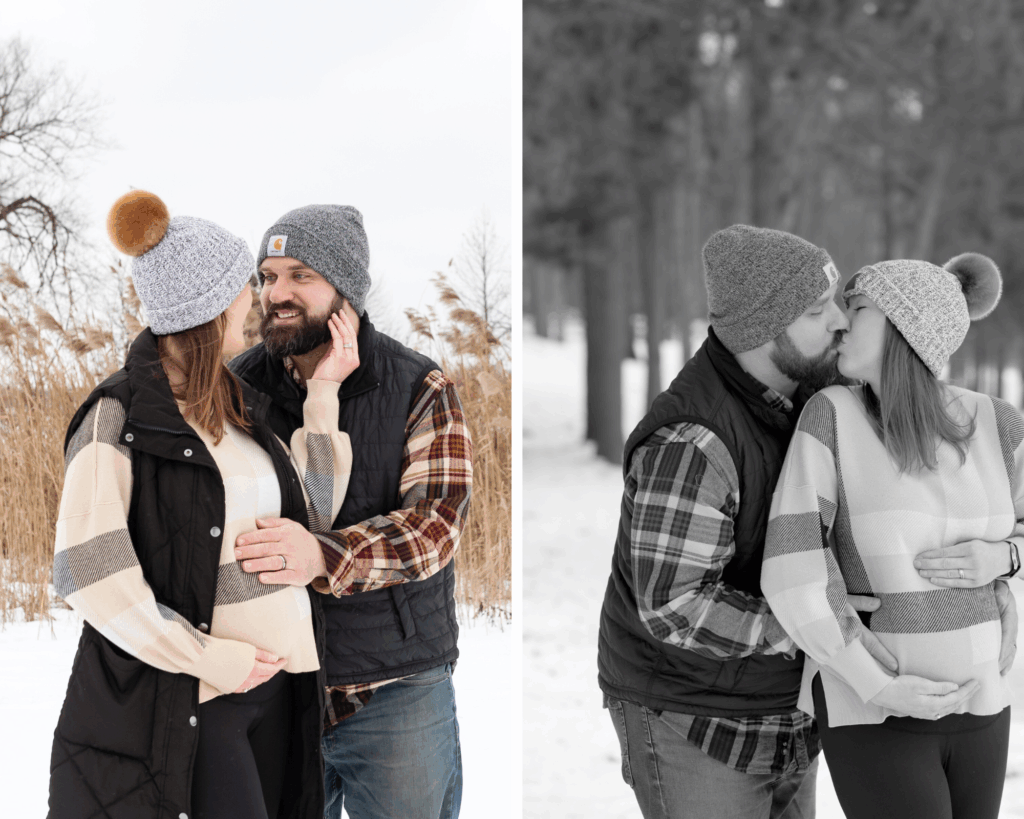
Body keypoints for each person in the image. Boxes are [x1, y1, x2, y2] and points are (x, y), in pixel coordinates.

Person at [597, 225, 984, 819]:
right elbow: (676, 607)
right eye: (814, 309)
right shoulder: (693, 442)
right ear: (760, 328)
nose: (837, 321)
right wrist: (827, 627)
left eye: (837, 303)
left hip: (790, 709)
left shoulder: (819, 395)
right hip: (693, 716)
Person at [47, 191, 358, 819]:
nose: (254, 298)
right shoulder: (119, 415)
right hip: (198, 702)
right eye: (243, 284)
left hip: (278, 693)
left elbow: (313, 514)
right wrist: (209, 659)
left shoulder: (238, 407)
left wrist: (323, 394)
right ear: (213, 303)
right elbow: (88, 570)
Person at [228, 204, 472, 819]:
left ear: (347, 290)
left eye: (300, 275)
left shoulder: (418, 385)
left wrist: (322, 555)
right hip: (272, 685)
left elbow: (435, 526)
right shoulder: (235, 386)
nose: (276, 293)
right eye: (267, 276)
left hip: (394, 691)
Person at [762, 253, 1021, 819]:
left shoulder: (996, 423)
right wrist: (872, 683)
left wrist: (1005, 558)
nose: (840, 322)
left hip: (983, 697)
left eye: (857, 307)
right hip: (875, 706)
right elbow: (792, 565)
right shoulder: (830, 416)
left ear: (908, 327)